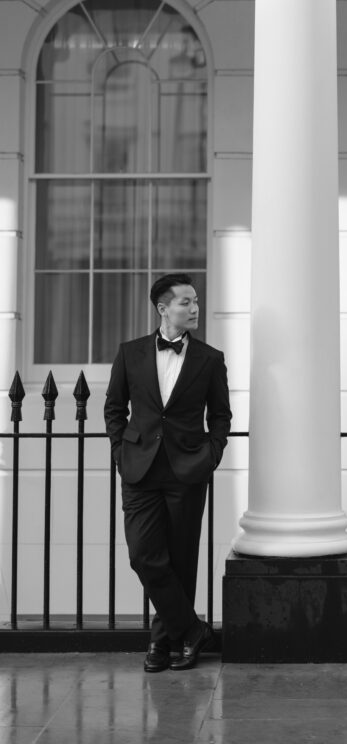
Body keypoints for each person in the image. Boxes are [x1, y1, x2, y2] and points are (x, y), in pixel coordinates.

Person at [104, 274, 231, 673]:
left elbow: (221, 415)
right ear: (163, 308)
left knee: (180, 559)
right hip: (139, 468)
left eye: (196, 301)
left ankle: (164, 642)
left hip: (187, 468)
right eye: (185, 302)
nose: (194, 308)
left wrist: (211, 454)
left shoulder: (210, 359)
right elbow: (114, 408)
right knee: (144, 555)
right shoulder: (130, 353)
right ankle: (192, 630)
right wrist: (120, 452)